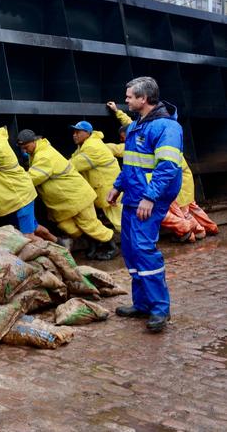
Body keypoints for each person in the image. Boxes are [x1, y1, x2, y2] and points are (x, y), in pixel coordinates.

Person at [107, 77, 183, 333]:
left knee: (143, 249)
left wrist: (150, 197)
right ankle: (142, 303)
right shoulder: (137, 126)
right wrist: (118, 186)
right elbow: (131, 163)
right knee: (130, 250)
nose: (125, 100)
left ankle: (160, 309)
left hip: (148, 201)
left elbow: (168, 167)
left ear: (144, 99)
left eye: (129, 96)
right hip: (134, 198)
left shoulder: (167, 128)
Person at [107, 101, 218, 242]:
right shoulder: (156, 132)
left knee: (184, 210)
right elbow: (130, 124)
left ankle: (198, 231)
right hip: (178, 178)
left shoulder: (148, 139)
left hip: (177, 180)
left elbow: (118, 147)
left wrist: (98, 146)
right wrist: (117, 111)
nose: (125, 141)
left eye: (124, 139)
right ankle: (208, 228)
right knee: (189, 207)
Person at [17, 130, 117, 259]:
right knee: (68, 226)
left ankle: (111, 246)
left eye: (26, 147)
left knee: (89, 224)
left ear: (34, 141)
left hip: (77, 196)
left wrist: (14, 178)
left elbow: (33, 177)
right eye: (22, 148)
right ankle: (93, 243)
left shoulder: (44, 156)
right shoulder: (36, 153)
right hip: (64, 201)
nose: (25, 151)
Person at [70, 120, 122, 232]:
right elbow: (74, 158)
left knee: (120, 222)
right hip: (108, 188)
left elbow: (73, 165)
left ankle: (139, 246)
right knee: (121, 220)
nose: (74, 135)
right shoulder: (85, 145)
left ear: (87, 133)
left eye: (78, 132)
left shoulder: (92, 147)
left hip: (110, 190)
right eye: (74, 132)